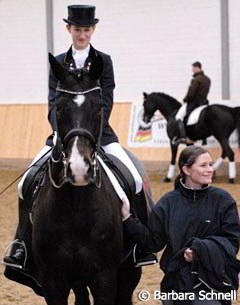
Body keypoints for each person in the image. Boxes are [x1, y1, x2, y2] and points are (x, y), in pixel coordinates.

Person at [3, 4, 145, 268]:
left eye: (87, 29)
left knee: (134, 179)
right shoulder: (58, 63)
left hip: (99, 135)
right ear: (69, 29)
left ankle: (139, 245)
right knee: (26, 183)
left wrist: (93, 135)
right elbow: (52, 103)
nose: (82, 34)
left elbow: (107, 101)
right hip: (64, 135)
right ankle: (22, 244)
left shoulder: (104, 61)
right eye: (78, 29)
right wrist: (61, 135)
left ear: (93, 30)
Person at [122, 146, 240, 305]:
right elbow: (153, 242)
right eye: (203, 165)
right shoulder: (168, 203)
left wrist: (200, 251)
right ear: (186, 169)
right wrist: (127, 218)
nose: (210, 170)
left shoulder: (224, 200)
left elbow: (232, 242)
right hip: (175, 283)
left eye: (210, 165)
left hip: (213, 282)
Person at [174, 62, 211, 145]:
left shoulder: (196, 79)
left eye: (193, 68)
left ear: (197, 68)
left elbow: (191, 93)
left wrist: (185, 99)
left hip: (195, 102)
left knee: (179, 116)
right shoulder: (208, 79)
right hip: (204, 102)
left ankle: (183, 137)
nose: (192, 70)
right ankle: (204, 139)